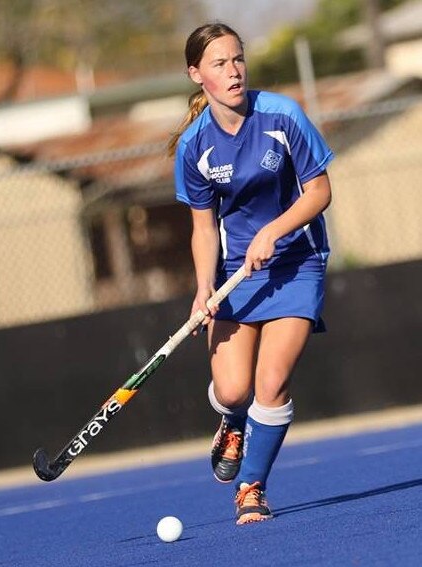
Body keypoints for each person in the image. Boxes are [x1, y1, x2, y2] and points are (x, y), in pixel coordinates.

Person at [168, 22, 334, 525]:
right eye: (219, 63)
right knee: (235, 390)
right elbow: (202, 229)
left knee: (271, 382)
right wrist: (203, 291)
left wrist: (274, 232)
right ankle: (231, 421)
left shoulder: (283, 116)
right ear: (197, 74)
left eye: (237, 59)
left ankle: (251, 488)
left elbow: (320, 192)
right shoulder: (194, 146)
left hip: (296, 263)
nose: (234, 71)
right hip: (235, 274)